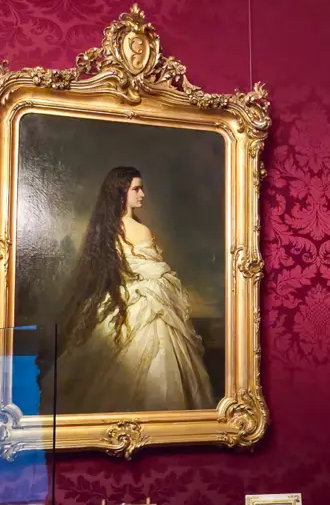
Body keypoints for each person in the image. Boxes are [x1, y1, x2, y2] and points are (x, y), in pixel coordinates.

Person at [48, 167, 215, 414]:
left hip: (119, 303)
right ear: (121, 192)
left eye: (142, 189)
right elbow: (155, 272)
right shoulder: (140, 229)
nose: (142, 194)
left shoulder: (106, 229)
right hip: (146, 305)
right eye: (136, 189)